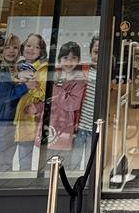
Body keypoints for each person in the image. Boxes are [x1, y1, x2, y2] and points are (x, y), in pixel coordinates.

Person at [35, 41, 86, 162]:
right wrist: (37, 108)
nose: (69, 62)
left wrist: (55, 89)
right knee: (46, 162)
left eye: (73, 58)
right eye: (65, 58)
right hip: (49, 125)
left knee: (62, 163)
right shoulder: (54, 77)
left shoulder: (79, 81)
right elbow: (48, 100)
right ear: (59, 59)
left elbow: (73, 104)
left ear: (78, 60)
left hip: (65, 128)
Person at [0, 34, 27, 171]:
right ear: (1, 50)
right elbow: (6, 97)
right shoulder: (2, 70)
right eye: (7, 47)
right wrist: (25, 86)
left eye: (15, 48)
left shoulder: (13, 68)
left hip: (11, 117)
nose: (11, 51)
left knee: (8, 151)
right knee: (0, 152)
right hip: (3, 119)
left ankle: (4, 172)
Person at [13, 34, 48, 171]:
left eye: (36, 47)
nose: (31, 49)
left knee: (38, 154)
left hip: (34, 117)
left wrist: (31, 87)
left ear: (41, 51)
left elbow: (45, 93)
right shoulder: (18, 67)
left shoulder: (43, 69)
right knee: (23, 154)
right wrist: (18, 78)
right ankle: (24, 177)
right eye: (28, 45)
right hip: (20, 117)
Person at [70, 35, 99, 170]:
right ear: (90, 53)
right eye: (96, 52)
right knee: (74, 160)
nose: (98, 56)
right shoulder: (83, 72)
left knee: (90, 161)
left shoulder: (106, 73)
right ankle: (73, 181)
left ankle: (87, 182)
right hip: (81, 125)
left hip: (96, 126)